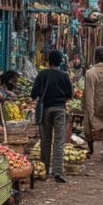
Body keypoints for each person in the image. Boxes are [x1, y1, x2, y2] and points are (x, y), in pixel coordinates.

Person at [30, 49, 74, 183]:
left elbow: (33, 94)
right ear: (60, 61)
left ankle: (44, 169)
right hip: (60, 110)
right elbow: (70, 94)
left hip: (46, 110)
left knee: (45, 141)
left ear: (49, 61)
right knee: (59, 142)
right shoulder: (64, 75)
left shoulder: (42, 74)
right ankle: (57, 171)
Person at [82, 46, 103, 161]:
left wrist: (89, 111)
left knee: (88, 128)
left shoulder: (91, 72)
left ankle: (91, 150)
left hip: (94, 105)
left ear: (95, 57)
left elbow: (89, 94)